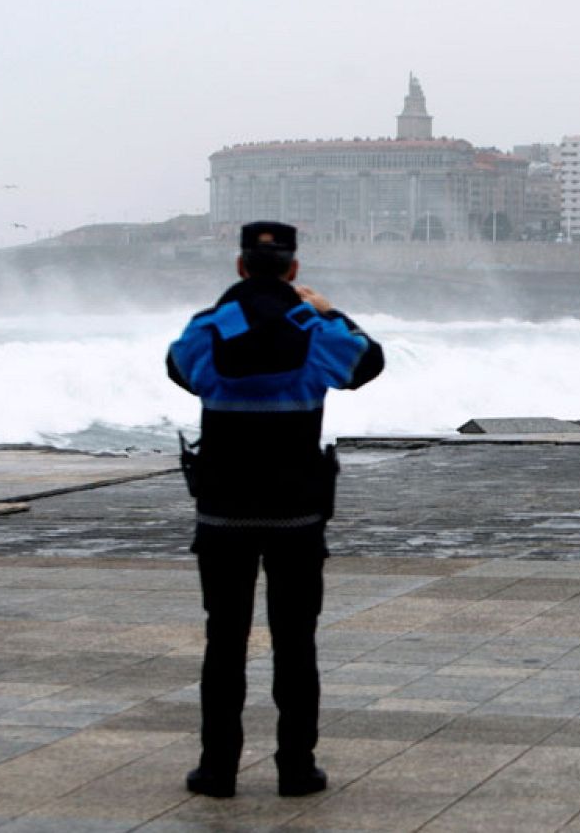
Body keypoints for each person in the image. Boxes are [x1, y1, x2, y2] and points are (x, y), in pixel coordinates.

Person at [166, 220, 384, 798]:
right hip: (296, 515)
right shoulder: (314, 327)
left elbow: (180, 370)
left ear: (240, 267)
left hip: (222, 514)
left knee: (224, 641)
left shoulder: (211, 326)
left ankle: (217, 771)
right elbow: (369, 364)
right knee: (295, 642)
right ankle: (295, 769)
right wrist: (328, 309)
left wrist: (232, 306)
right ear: (294, 269)